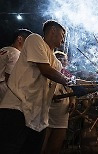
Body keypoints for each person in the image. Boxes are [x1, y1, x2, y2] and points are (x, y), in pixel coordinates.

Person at [0, 20, 71, 154]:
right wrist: (71, 82)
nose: (63, 39)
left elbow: (54, 92)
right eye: (62, 35)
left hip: (37, 117)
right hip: (17, 109)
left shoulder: (57, 63)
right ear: (53, 31)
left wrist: (78, 91)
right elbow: (45, 70)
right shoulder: (35, 40)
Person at [42, 51, 76, 154]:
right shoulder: (47, 70)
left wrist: (72, 100)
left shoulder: (68, 75)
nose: (61, 61)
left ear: (67, 62)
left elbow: (72, 90)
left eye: (64, 60)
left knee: (56, 146)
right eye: (59, 59)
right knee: (42, 143)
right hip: (47, 110)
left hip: (61, 113)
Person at [0, 29, 32, 102]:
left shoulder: (3, 49)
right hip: (4, 89)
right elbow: (10, 77)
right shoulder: (16, 53)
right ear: (20, 39)